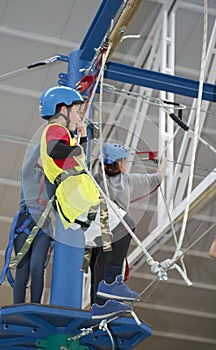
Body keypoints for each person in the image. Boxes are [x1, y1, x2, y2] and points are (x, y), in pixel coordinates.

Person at [39, 86, 140, 319]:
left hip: (75, 200)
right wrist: (76, 142)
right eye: (76, 110)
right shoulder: (55, 128)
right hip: (77, 197)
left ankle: (101, 302)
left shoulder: (63, 133)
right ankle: (110, 284)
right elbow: (57, 150)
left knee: (105, 245)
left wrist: (82, 138)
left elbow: (72, 158)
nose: (79, 116)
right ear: (62, 110)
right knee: (126, 225)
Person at [90, 143, 167, 312]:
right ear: (121, 164)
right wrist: (164, 163)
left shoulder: (98, 178)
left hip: (103, 229)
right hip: (112, 227)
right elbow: (157, 177)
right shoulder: (116, 179)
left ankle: (100, 303)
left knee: (100, 264)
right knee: (103, 263)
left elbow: (155, 179)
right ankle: (104, 297)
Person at [0, 143, 53, 304]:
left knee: (37, 265)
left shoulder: (51, 181)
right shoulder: (27, 173)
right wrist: (47, 138)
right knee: (22, 268)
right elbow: (32, 158)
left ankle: (36, 305)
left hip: (43, 226)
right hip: (26, 222)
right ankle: (18, 306)